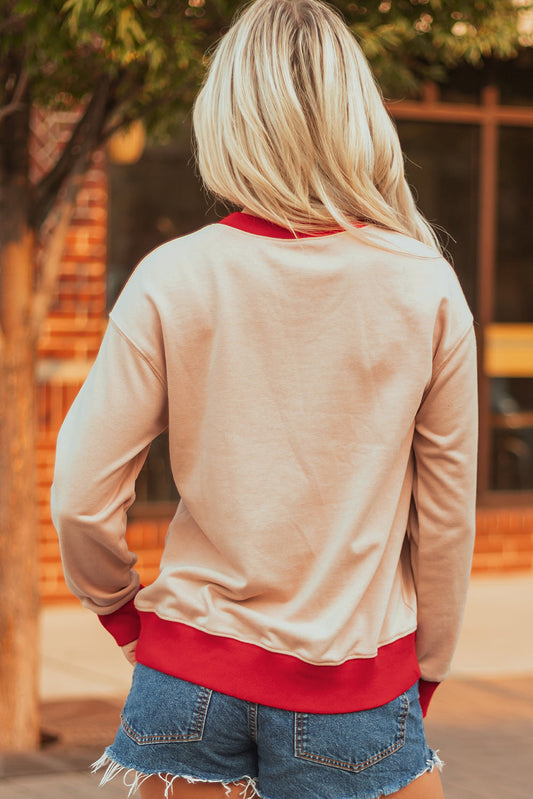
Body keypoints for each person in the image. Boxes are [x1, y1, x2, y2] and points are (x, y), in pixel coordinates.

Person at [51, 1, 478, 798]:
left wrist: (125, 618)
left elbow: (78, 497)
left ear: (228, 117)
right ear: (358, 115)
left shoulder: (173, 275)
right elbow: (446, 522)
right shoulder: (425, 286)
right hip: (353, 680)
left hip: (185, 675)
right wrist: (423, 674)